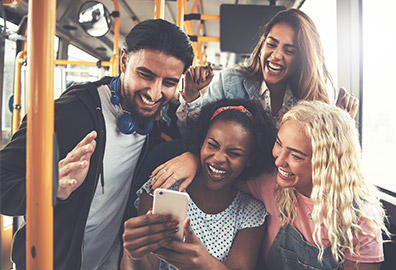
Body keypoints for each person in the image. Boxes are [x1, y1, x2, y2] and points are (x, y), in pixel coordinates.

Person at [0, 19, 194, 270]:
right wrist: (49, 187)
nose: (154, 93)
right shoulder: (70, 112)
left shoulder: (157, 121)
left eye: (169, 82)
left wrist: (194, 158)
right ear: (124, 61)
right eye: (145, 75)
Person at [151, 101, 390, 269]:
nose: (278, 160)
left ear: (327, 164)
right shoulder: (271, 185)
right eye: (279, 144)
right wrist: (192, 158)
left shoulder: (361, 218)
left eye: (296, 156)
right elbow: (223, 167)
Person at [155, 8, 359, 191]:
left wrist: (340, 127)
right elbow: (197, 135)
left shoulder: (313, 101)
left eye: (289, 51)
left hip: (282, 193)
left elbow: (319, 162)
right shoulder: (230, 81)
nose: (276, 55)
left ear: (302, 58)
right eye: (271, 44)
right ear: (262, 45)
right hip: (232, 186)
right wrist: (191, 96)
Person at [120, 99, 277, 270]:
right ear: (201, 142)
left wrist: (203, 263)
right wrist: (134, 253)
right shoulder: (163, 187)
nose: (218, 158)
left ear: (250, 159)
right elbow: (145, 266)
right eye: (212, 145)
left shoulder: (250, 212)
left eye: (234, 153)